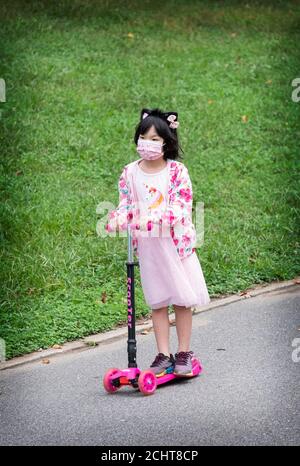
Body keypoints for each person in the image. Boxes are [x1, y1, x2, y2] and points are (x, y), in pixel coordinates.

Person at [105, 107, 210, 377]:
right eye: (144, 137)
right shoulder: (130, 172)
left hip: (175, 246)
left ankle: (184, 351)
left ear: (166, 142)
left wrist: (149, 219)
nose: (147, 143)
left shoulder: (177, 172)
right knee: (157, 301)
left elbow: (180, 208)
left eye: (154, 139)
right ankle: (163, 354)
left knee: (182, 300)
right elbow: (126, 204)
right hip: (150, 248)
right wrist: (117, 218)